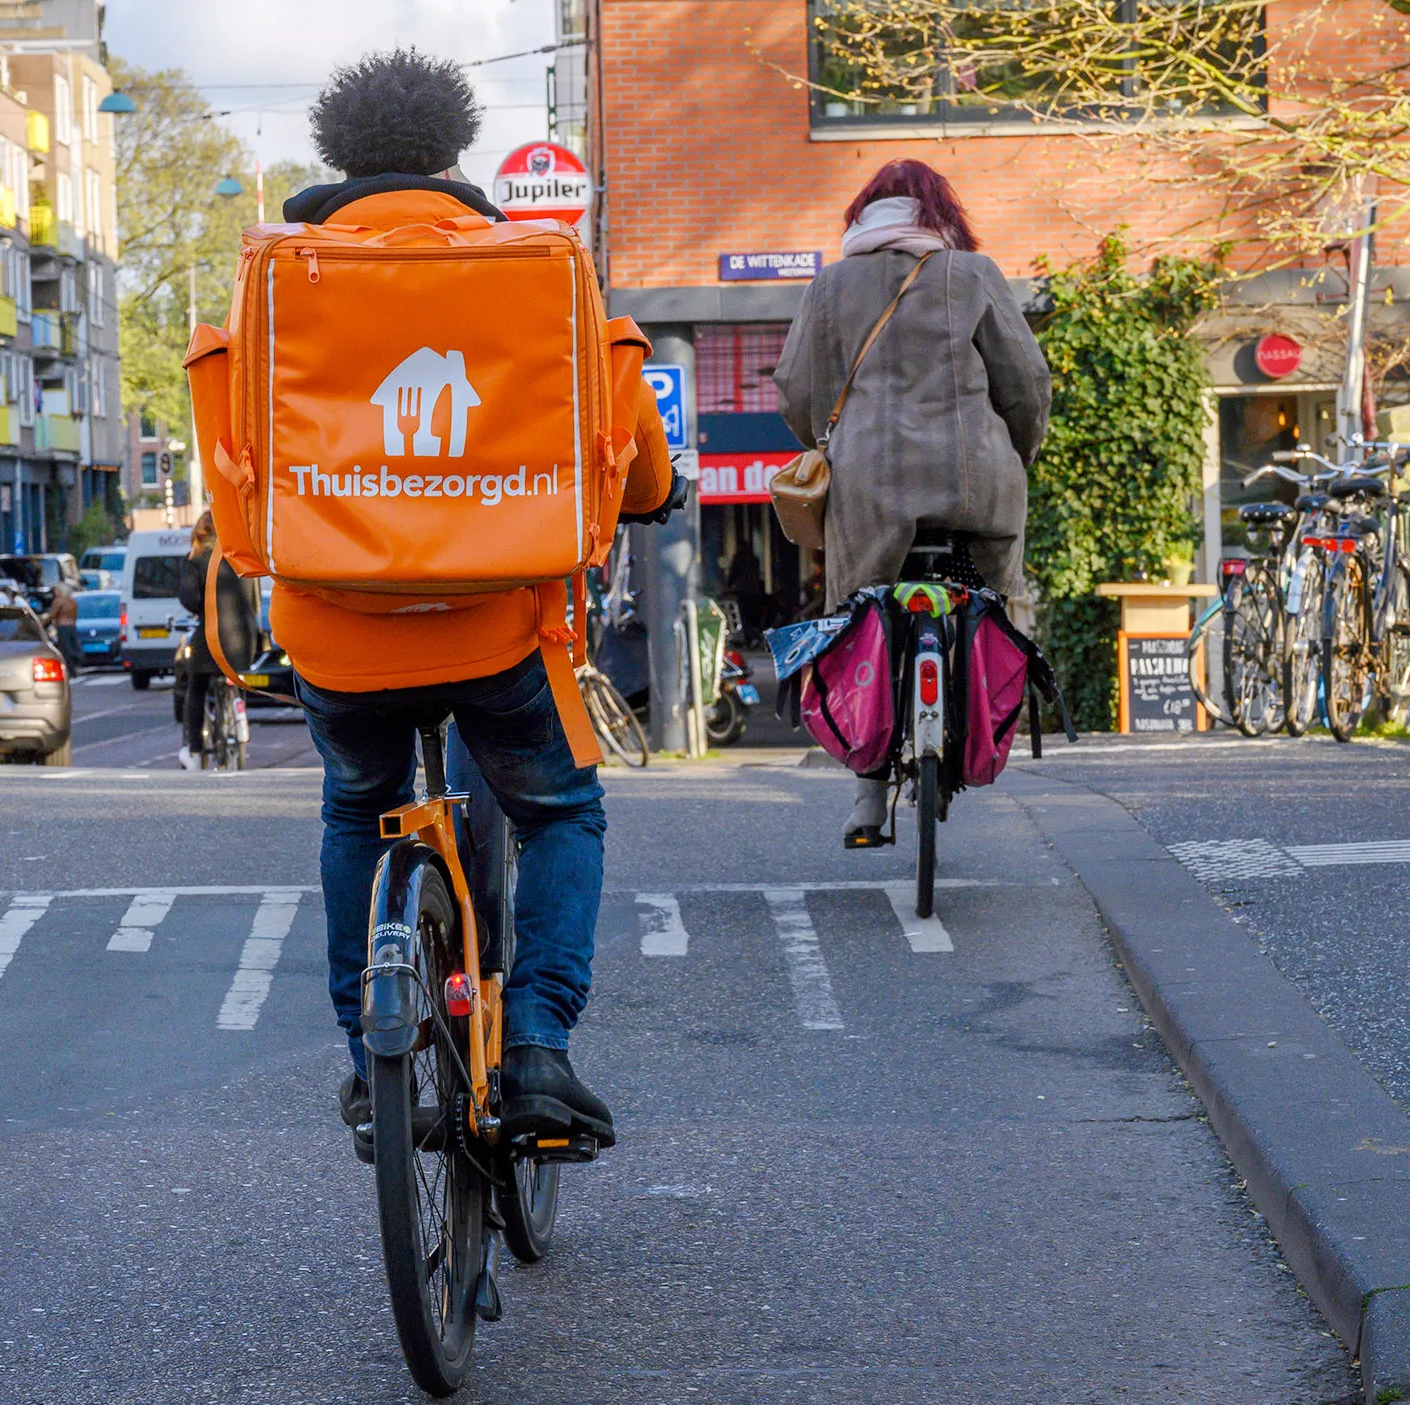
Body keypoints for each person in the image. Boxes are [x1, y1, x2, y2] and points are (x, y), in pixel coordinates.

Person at [272, 50, 683, 1152]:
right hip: (498, 626)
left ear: (335, 156)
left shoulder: (278, 273)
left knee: (355, 811)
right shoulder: (539, 263)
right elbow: (618, 417)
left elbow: (236, 455)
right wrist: (651, 488)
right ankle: (538, 1044)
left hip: (338, 630)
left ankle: (372, 1063)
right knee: (559, 811)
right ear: (454, 152)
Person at [772, 159, 1051, 841]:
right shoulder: (972, 274)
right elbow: (1026, 383)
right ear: (940, 214)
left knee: (862, 618)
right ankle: (975, 733)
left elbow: (797, 389)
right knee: (985, 606)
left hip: (868, 492)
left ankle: (867, 793)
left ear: (862, 218)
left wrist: (831, 441)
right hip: (976, 486)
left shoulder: (829, 286)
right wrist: (1019, 452)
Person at [176, 511, 259, 769]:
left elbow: (189, 598)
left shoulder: (197, 559)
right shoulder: (241, 557)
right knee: (236, 678)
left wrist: (203, 609)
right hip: (244, 641)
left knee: (196, 686)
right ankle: (237, 710)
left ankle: (194, 750)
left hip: (211, 639)